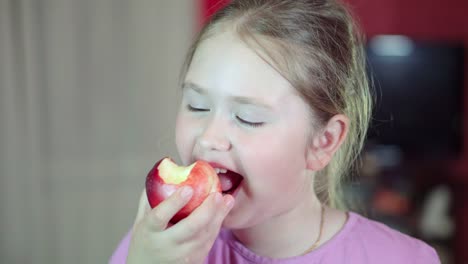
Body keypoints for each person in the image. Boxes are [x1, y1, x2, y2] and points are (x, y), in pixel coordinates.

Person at [110, 0, 441, 263]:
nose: (209, 137)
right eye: (197, 106)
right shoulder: (154, 247)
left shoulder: (404, 258)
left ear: (323, 141)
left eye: (248, 117)